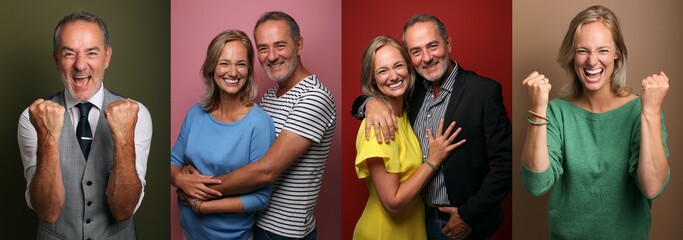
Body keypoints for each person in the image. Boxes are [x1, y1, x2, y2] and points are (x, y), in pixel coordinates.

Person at [178, 11, 336, 239]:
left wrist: (198, 190)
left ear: (299, 45)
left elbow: (265, 171)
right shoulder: (271, 95)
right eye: (263, 48)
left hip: (285, 233)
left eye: (280, 46)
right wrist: (184, 177)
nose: (271, 56)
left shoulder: (313, 97)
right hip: (251, 223)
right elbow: (245, 158)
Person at [352, 14, 512, 239]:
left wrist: (469, 215)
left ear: (448, 43)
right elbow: (376, 91)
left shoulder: (483, 93)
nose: (426, 58)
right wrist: (371, 103)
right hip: (419, 220)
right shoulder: (411, 91)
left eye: (432, 46)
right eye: (416, 51)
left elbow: (508, 166)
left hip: (462, 222)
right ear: (410, 58)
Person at [520, 5, 669, 239]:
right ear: (572, 54)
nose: (592, 61)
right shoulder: (557, 112)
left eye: (602, 50)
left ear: (617, 53)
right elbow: (536, 185)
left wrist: (650, 112)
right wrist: (538, 109)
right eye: (582, 50)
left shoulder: (641, 110)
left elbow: (652, 187)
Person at [17, 10, 153, 239]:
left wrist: (123, 138)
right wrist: (48, 138)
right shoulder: (32, 117)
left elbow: (124, 210)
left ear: (107, 57)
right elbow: (47, 212)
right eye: (69, 53)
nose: (80, 65)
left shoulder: (138, 114)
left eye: (91, 52)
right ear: (56, 59)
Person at [352, 35, 466, 240]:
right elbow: (392, 203)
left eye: (398, 66)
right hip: (384, 233)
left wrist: (370, 102)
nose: (394, 76)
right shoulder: (377, 126)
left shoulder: (405, 115)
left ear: (409, 68)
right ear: (373, 79)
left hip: (412, 229)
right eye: (382, 71)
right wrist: (433, 161)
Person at [170, 29, 276, 240]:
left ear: (249, 70)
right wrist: (181, 181)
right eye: (224, 63)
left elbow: (260, 198)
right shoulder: (195, 113)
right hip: (189, 233)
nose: (233, 72)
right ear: (212, 68)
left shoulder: (259, 124)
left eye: (241, 64)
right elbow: (173, 161)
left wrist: (201, 205)